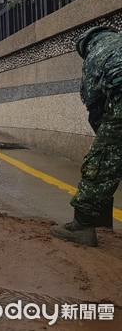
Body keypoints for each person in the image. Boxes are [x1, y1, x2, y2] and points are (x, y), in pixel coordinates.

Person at [51, 26, 122, 247]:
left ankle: (81, 227)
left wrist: (105, 143)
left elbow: (94, 103)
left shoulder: (97, 53)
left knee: (99, 165)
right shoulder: (117, 43)